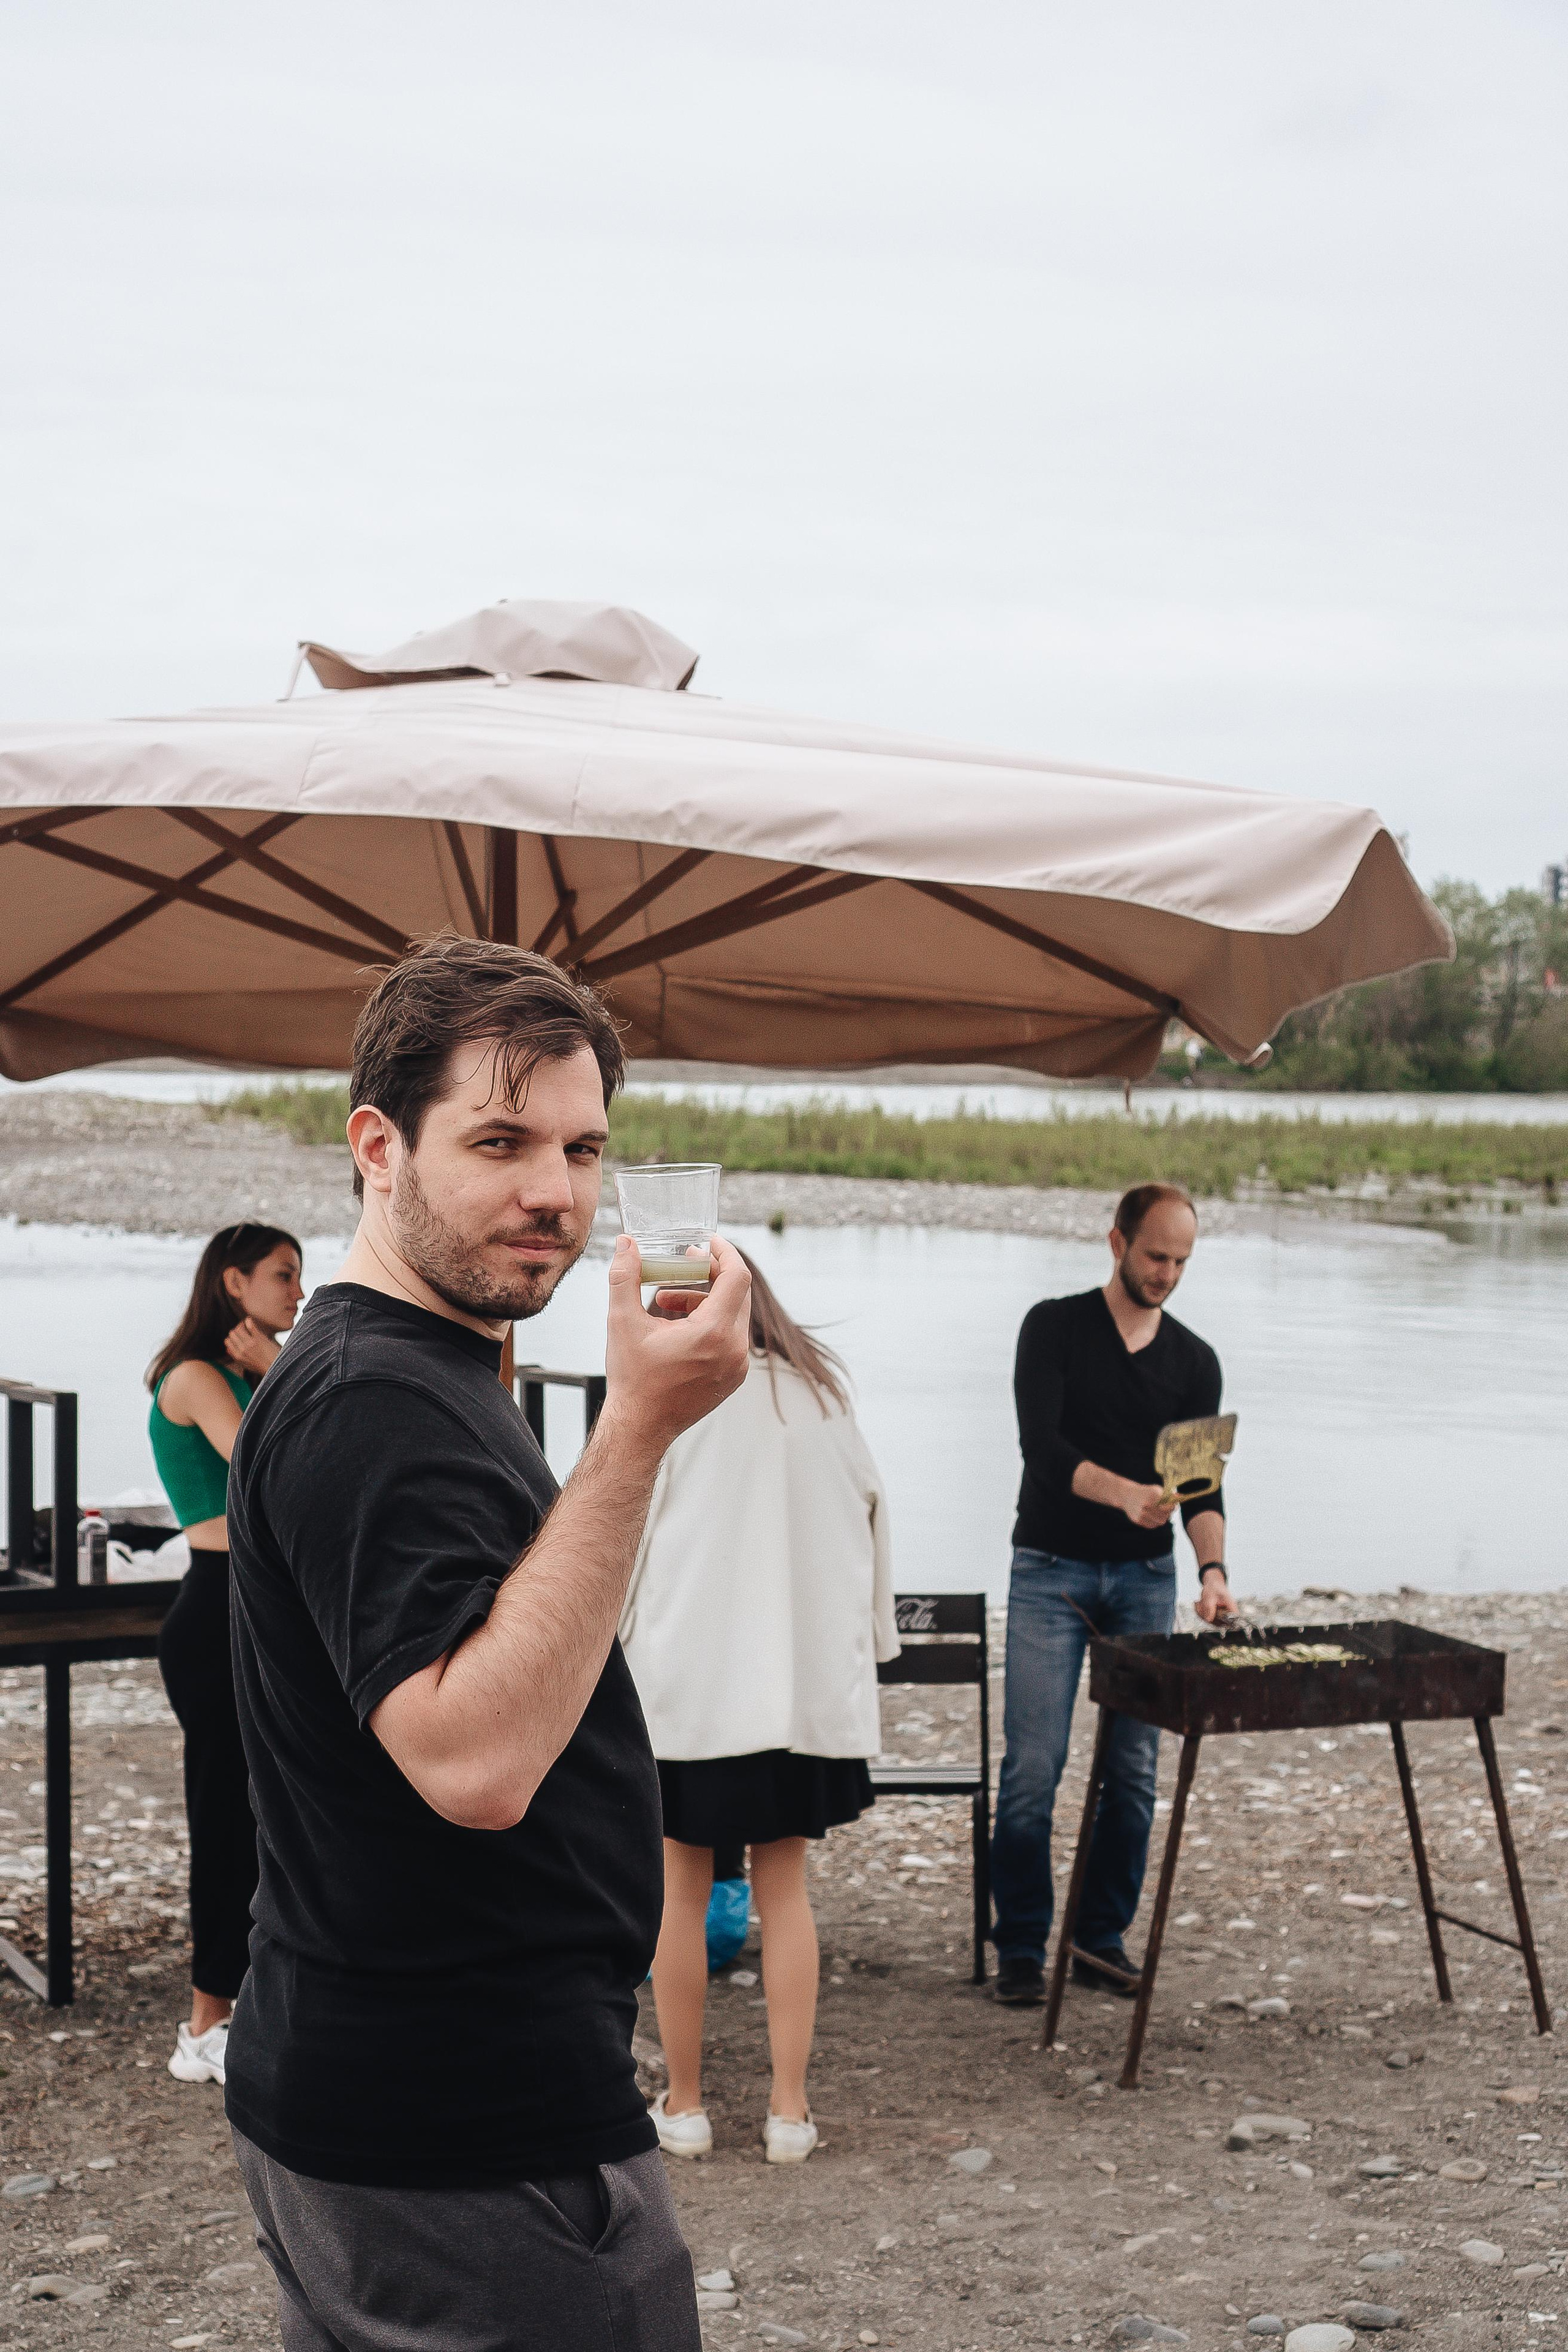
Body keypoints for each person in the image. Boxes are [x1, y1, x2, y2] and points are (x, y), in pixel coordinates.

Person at [224, 936, 752, 2352]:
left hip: (395, 2084)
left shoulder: (411, 1370)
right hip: (457, 2125)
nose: (555, 1193)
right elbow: (474, 1763)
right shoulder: (369, 1399)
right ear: (378, 1148)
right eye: (501, 1141)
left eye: (583, 1150)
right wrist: (637, 1430)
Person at [619, 1250, 899, 2167]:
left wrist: (606, 1649)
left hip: (689, 1694)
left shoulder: (674, 1400)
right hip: (798, 1696)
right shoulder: (822, 1398)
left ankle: (687, 2105)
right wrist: (873, 1645)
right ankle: (788, 2111)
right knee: (785, 1894)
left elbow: (624, 1543)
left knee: (681, 1892)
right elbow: (873, 1521)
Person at [990, 1182, 1236, 2008]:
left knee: (1132, 1775)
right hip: (1048, 1572)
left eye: (1182, 1262)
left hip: (1145, 1582)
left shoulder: (1196, 1362)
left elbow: (1201, 1490)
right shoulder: (1053, 1327)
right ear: (1117, 1242)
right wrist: (1127, 1495)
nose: (1167, 1274)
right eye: (1156, 1256)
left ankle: (1098, 1940)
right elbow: (1040, 1448)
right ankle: (1021, 1948)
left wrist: (1213, 1573)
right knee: (1034, 1770)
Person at [147, 1221, 303, 2087]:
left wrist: (272, 1369)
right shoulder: (197, 1376)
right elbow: (272, 1473)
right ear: (234, 1283)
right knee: (224, 1814)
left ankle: (256, 1997)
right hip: (215, 1611)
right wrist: (280, 1370)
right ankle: (206, 2020)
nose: (298, 1293)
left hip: (253, 1605)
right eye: (283, 1275)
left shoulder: (241, 1375)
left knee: (271, 1811)